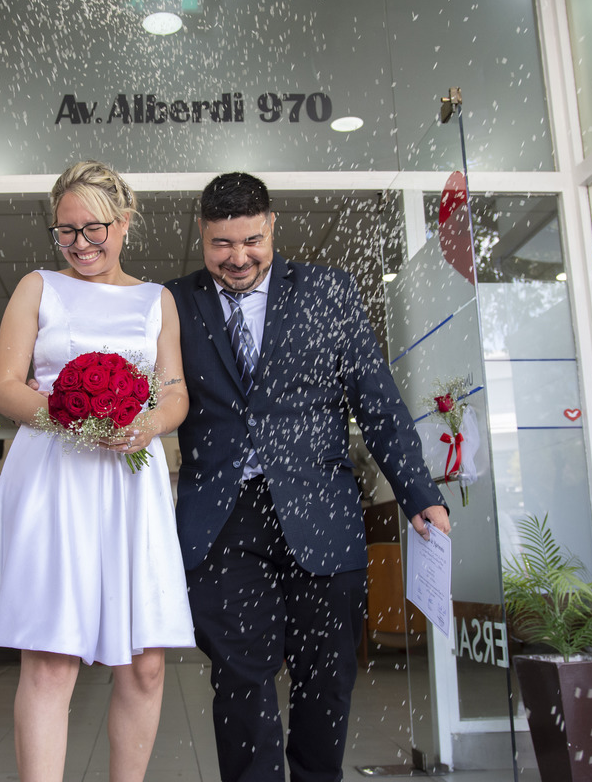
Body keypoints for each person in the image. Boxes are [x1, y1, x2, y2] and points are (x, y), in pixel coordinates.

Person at [165, 172, 451, 782]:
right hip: (221, 520)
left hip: (321, 513)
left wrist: (418, 494)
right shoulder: (172, 303)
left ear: (273, 226)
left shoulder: (329, 291)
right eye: (221, 245)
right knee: (240, 679)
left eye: (251, 241)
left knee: (327, 677)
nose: (238, 258)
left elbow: (378, 401)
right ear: (202, 235)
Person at [0, 160, 194, 782]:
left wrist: (146, 424)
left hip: (128, 479)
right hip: (55, 477)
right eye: (67, 232)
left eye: (96, 229)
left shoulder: (156, 300)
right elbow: (5, 388)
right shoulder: (38, 287)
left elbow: (174, 393)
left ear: (126, 222)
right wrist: (74, 415)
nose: (82, 244)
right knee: (52, 660)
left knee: (145, 664)